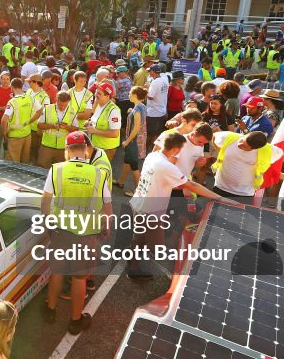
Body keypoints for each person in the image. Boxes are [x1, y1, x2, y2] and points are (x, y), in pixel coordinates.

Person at [40, 131, 111, 334]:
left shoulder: (56, 170)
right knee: (79, 278)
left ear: (67, 150)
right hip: (87, 233)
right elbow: (107, 206)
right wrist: (106, 228)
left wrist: (48, 224)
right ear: (86, 150)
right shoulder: (99, 174)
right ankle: (75, 321)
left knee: (57, 271)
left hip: (60, 230)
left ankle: (50, 310)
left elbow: (45, 202)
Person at [129, 133, 223, 278]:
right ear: (175, 149)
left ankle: (133, 266)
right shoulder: (166, 166)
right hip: (150, 211)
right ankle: (140, 265)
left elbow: (164, 180)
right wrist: (217, 196)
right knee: (158, 247)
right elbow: (191, 184)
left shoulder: (153, 156)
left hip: (139, 201)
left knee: (139, 237)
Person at [211, 130, 275, 202]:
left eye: (244, 146)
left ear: (253, 149)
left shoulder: (269, 150)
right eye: (242, 140)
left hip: (245, 194)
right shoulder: (228, 137)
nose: (239, 144)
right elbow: (213, 136)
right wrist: (219, 149)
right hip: (220, 187)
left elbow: (280, 154)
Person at [31, 90, 78, 168]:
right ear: (56, 100)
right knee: (42, 168)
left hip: (62, 147)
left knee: (60, 171)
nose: (62, 107)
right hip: (47, 146)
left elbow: (76, 129)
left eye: (65, 105)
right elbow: (39, 125)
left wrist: (66, 127)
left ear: (68, 102)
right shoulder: (48, 109)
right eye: (60, 105)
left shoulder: (72, 111)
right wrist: (52, 126)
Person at [118, 86, 148, 194]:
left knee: (134, 166)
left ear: (135, 95)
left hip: (133, 141)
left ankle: (138, 192)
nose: (129, 95)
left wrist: (127, 141)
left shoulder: (136, 110)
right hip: (138, 140)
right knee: (127, 161)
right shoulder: (141, 106)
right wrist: (131, 112)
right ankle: (121, 181)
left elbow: (136, 127)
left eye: (130, 93)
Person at [84, 81, 120, 162]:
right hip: (96, 146)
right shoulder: (99, 104)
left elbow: (115, 133)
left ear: (107, 96)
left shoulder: (114, 111)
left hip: (106, 149)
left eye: (99, 93)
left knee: (100, 172)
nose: (96, 95)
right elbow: (96, 119)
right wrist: (89, 122)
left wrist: (94, 131)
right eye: (96, 92)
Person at [1, 78, 34, 163]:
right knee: (24, 162)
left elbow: (4, 120)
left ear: (11, 87)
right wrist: (29, 121)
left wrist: (5, 133)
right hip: (27, 134)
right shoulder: (29, 97)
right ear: (22, 86)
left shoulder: (12, 102)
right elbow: (39, 110)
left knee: (13, 163)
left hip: (15, 137)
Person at [145, 64, 169, 146]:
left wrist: (147, 88)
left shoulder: (155, 83)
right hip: (162, 110)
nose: (149, 73)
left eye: (149, 71)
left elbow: (151, 97)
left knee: (150, 134)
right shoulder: (165, 79)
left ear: (152, 72)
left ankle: (149, 151)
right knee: (157, 133)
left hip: (153, 112)